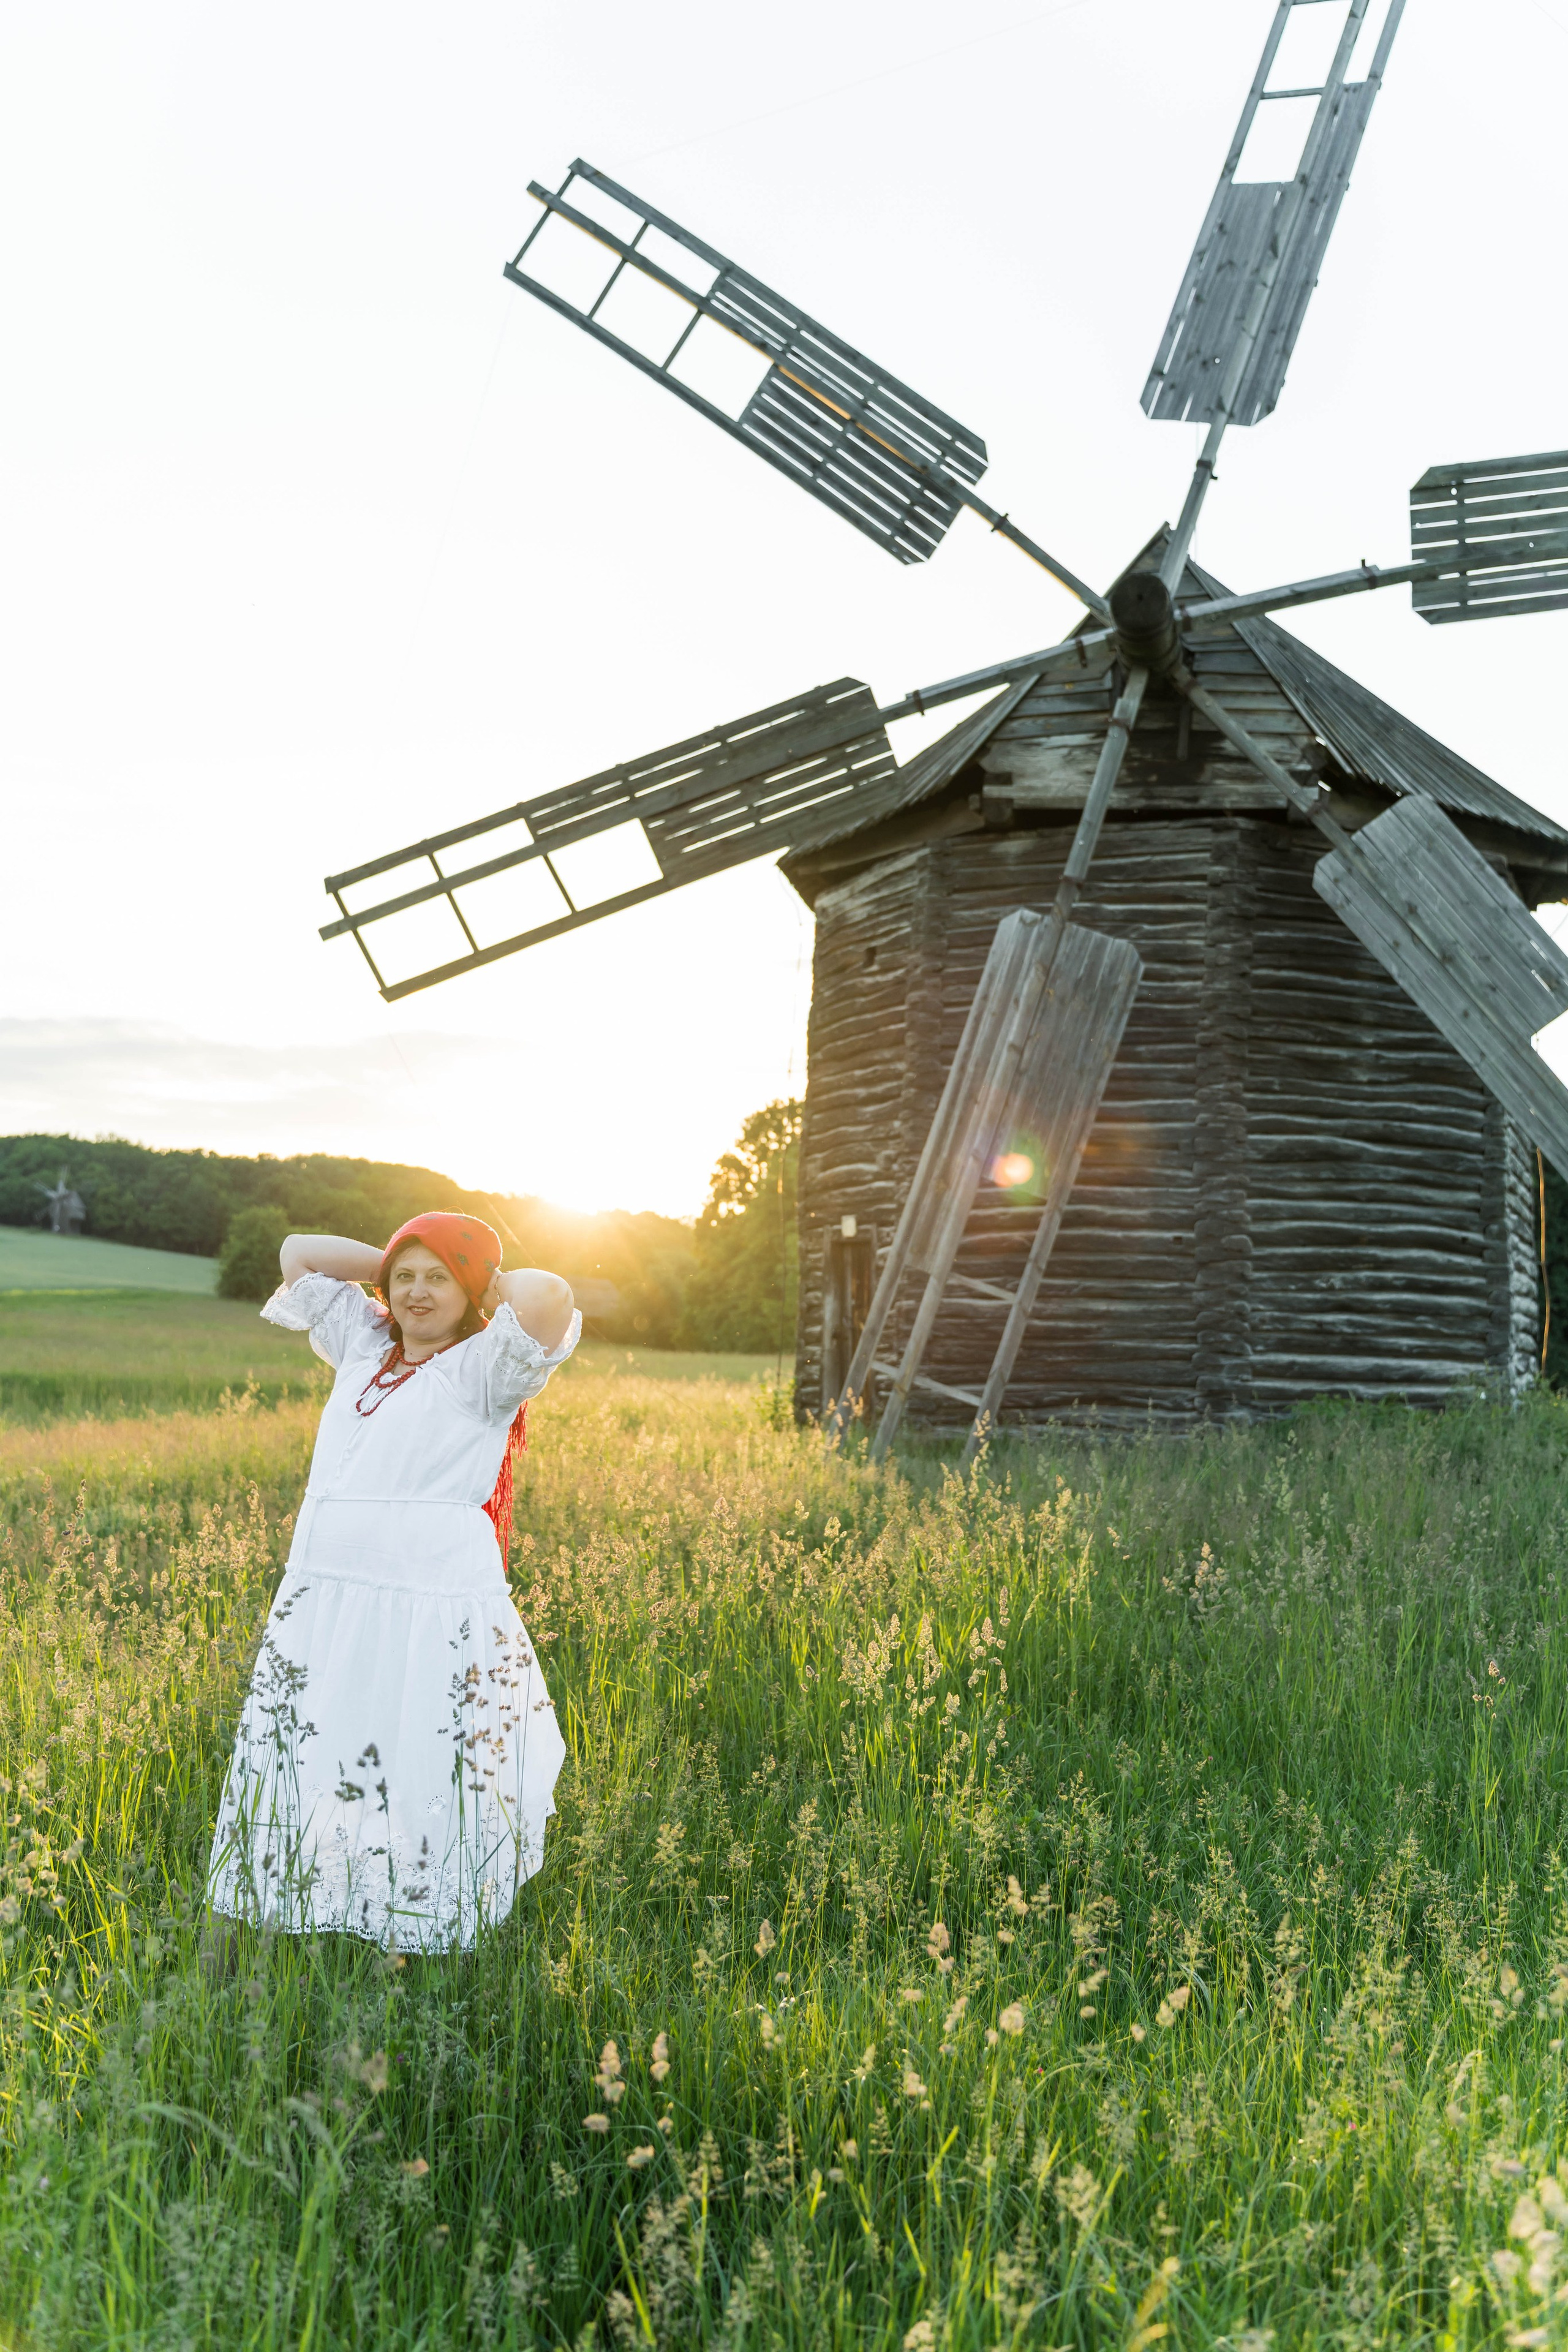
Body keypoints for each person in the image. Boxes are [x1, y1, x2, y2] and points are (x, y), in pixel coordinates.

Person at [205, 1214, 578, 1952]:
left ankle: (419, 1921)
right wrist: (403, 1259)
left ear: (471, 1290)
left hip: (426, 1598)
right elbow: (297, 1254)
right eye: (405, 1278)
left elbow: (550, 1295)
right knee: (321, 1743)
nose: (416, 1292)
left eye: (439, 1278)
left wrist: (471, 1267)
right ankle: (320, 1892)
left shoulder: (484, 1369)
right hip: (328, 1590)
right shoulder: (364, 1341)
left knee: (416, 1748)